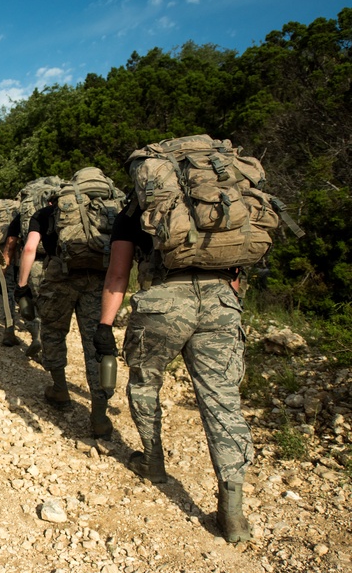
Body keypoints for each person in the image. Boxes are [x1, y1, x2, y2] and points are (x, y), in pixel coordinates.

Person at [94, 202, 254, 543]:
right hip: (221, 301)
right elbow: (237, 272)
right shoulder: (222, 205)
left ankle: (152, 462)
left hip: (163, 302)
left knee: (145, 382)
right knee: (222, 401)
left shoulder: (138, 209)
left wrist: (105, 324)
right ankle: (233, 509)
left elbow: (119, 274)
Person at [15, 200, 114, 439]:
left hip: (59, 277)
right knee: (95, 344)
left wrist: (22, 285)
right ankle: (99, 416)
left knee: (53, 334)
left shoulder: (46, 212)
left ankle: (60, 390)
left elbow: (29, 249)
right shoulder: (106, 213)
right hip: (98, 280)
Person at [0, 213, 42, 356]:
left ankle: (12, 331)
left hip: (29, 265)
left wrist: (2, 272)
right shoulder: (56, 213)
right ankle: (42, 341)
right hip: (53, 265)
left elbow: (11, 244)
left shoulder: (26, 215)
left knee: (24, 300)